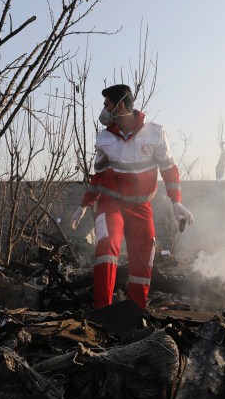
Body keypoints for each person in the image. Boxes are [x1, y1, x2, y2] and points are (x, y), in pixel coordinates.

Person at [70, 84, 194, 309]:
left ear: (121, 105)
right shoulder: (104, 139)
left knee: (145, 253)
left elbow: (169, 169)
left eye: (108, 104)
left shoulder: (155, 133)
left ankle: (136, 312)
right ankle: (103, 312)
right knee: (106, 247)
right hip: (111, 204)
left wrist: (176, 201)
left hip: (141, 205)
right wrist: (84, 205)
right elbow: (98, 176)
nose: (104, 110)